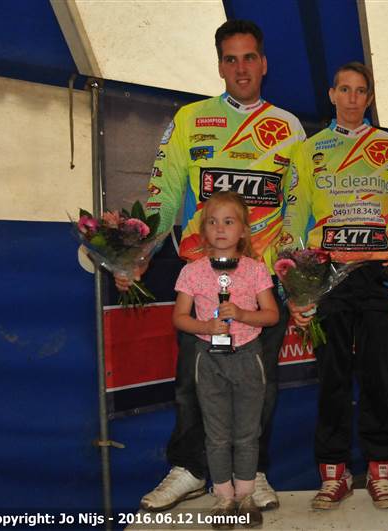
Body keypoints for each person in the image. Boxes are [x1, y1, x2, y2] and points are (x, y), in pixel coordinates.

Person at [119, 19, 306, 512]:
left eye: (250, 58)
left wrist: (299, 278)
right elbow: (163, 194)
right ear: (220, 65)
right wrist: (140, 250)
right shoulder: (190, 120)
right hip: (201, 280)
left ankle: (252, 471)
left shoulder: (289, 127)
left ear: (264, 64)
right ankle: (190, 469)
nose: (241, 68)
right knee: (193, 383)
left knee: (259, 387)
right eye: (231, 59)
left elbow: (298, 205)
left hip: (261, 284)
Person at [282, 61, 388, 511]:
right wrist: (297, 286)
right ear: (332, 94)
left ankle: (382, 471)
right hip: (327, 279)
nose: (352, 98)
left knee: (379, 376)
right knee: (333, 379)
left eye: (361, 91)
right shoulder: (309, 149)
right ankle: (334, 473)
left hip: (376, 276)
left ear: (370, 98)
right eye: (345, 89)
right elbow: (293, 218)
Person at [172, 192, 278, 526]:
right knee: (216, 434)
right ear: (203, 230)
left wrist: (243, 314)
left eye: (229, 222)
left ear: (243, 230)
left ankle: (246, 496)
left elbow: (272, 315)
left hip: (248, 356)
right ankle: (223, 498)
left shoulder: (256, 270)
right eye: (213, 222)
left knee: (247, 433)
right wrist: (206, 325)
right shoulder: (192, 272)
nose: (220, 229)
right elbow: (179, 318)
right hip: (209, 358)